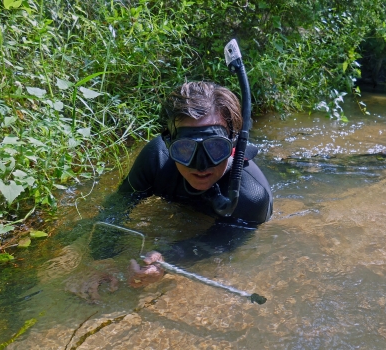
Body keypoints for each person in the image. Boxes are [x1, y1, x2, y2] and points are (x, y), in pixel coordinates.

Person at [78, 81, 272, 299]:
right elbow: (118, 206)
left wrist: (167, 258)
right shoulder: (157, 159)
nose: (201, 166)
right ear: (169, 143)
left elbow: (223, 240)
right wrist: (102, 260)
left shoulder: (251, 196)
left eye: (216, 147)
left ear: (234, 143)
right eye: (185, 148)